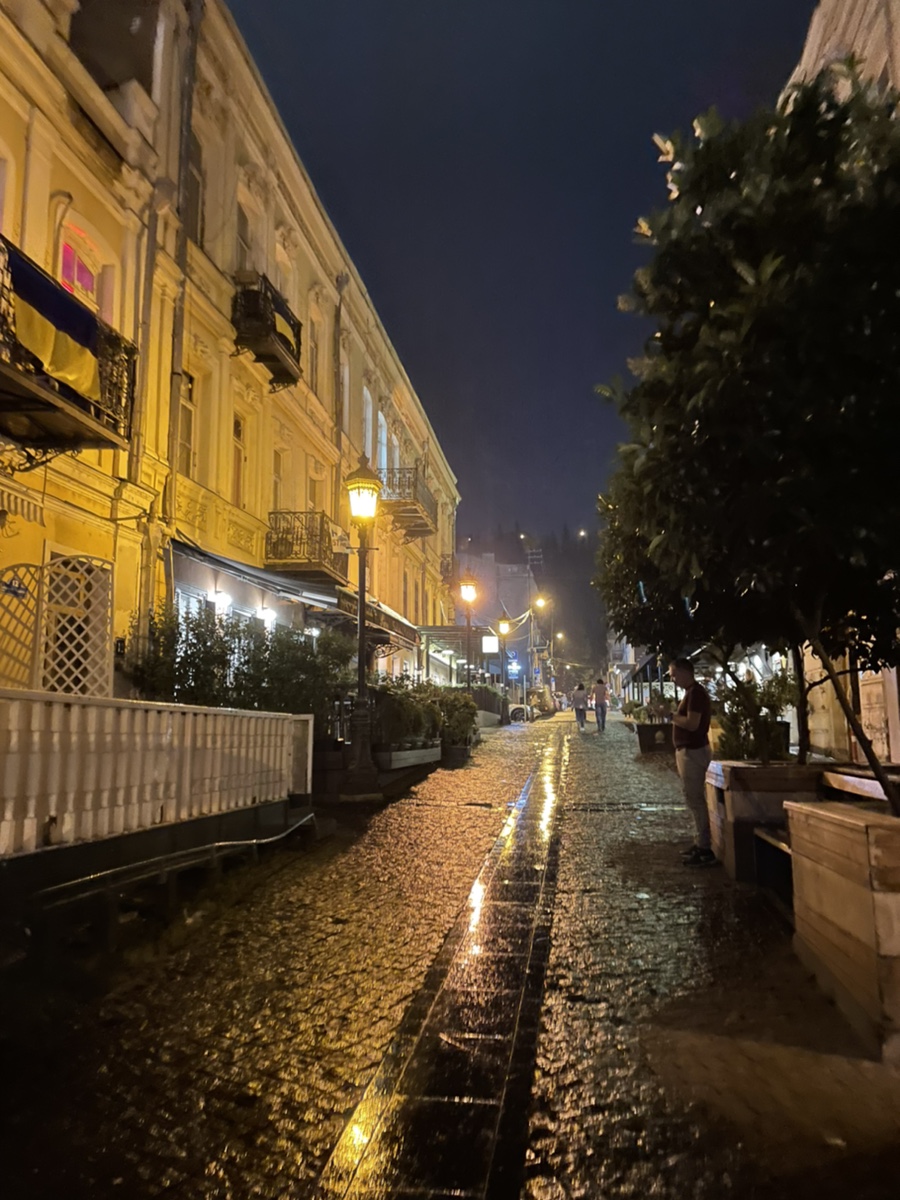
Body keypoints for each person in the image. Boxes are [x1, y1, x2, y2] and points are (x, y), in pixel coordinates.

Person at [669, 657, 716, 867]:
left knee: (695, 799)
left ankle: (705, 848)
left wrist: (670, 716)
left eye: (674, 674)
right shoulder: (691, 693)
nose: (672, 679)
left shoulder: (695, 693)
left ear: (685, 672)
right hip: (690, 750)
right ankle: (700, 843)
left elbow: (692, 723)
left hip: (693, 751)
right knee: (693, 799)